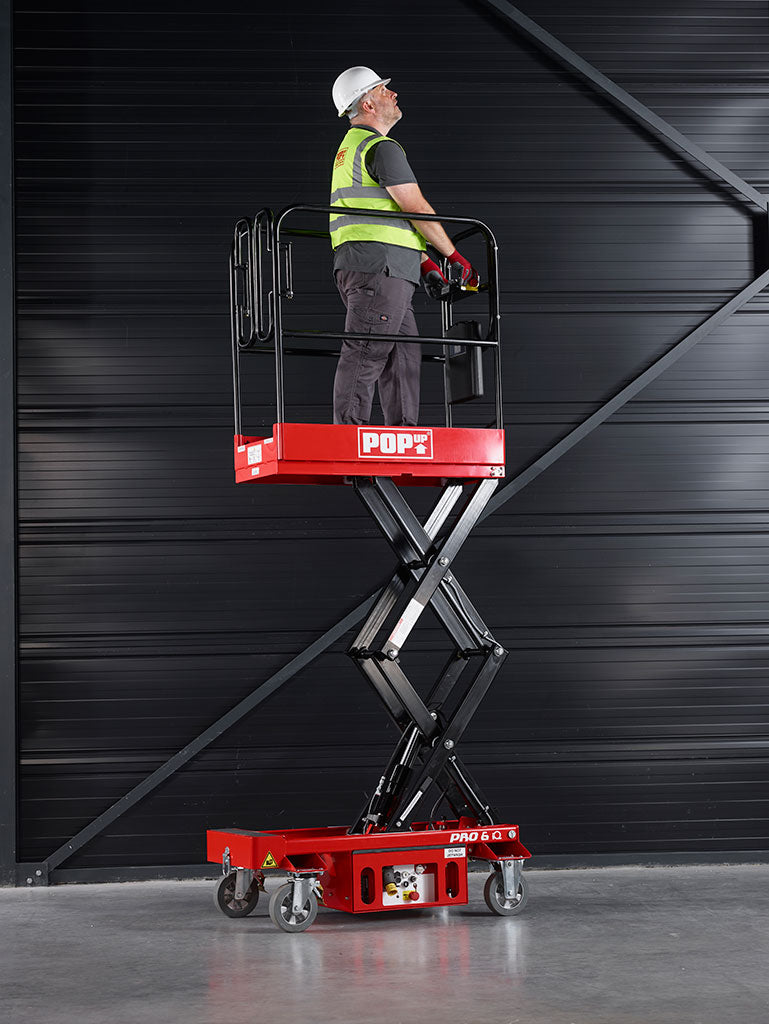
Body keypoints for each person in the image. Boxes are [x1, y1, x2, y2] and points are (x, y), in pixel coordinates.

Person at [329, 66, 479, 426]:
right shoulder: (380, 148)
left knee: (404, 356)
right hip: (378, 269)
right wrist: (454, 256)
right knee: (367, 351)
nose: (392, 94)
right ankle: (347, 436)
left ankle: (404, 434)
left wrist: (424, 264)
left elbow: (386, 218)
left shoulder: (350, 150)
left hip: (381, 266)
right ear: (367, 104)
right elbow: (414, 208)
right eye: (383, 90)